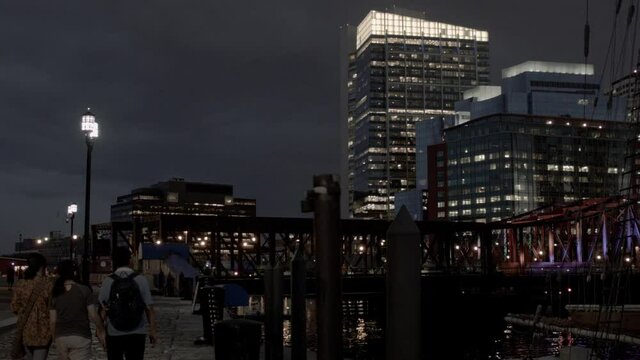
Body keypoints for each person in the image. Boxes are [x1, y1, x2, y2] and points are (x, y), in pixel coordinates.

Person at [99, 247, 157, 360]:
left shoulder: (108, 281)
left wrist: (100, 331)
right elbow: (149, 308)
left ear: (113, 261)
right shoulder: (141, 279)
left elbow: (103, 309)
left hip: (114, 332)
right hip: (137, 331)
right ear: (130, 260)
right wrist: (153, 330)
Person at [50, 260, 106, 359]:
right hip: (81, 336)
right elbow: (93, 315)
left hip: (61, 337)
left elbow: (53, 321)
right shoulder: (84, 289)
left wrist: (54, 338)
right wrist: (101, 330)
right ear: (75, 272)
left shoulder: (55, 292)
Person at [11, 253, 53, 360]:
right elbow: (52, 307)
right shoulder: (48, 284)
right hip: (43, 331)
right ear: (42, 267)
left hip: (26, 329)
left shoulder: (21, 284)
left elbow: (14, 306)